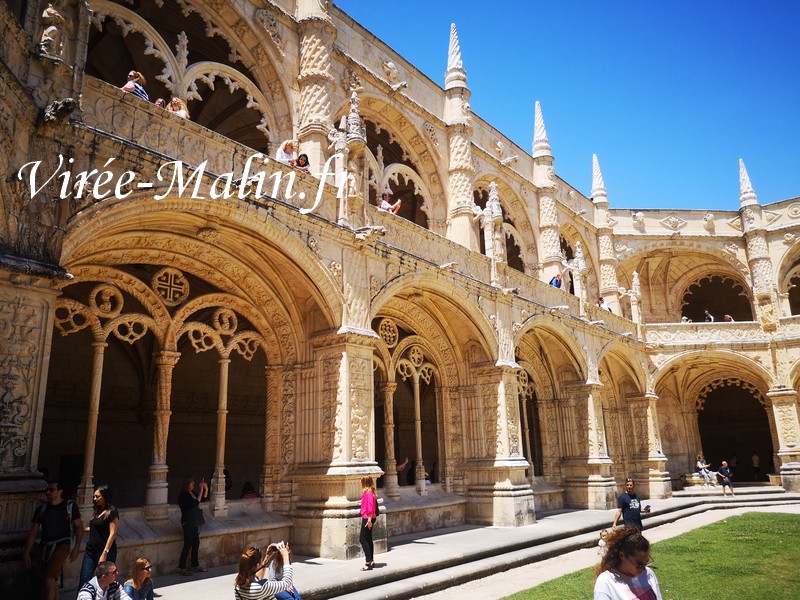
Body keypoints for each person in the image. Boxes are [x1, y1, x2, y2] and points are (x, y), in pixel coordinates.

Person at [22, 480, 83, 600]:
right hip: (45, 545)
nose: (48, 492)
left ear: (60, 491)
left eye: (51, 490)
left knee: (48, 578)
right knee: (50, 580)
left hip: (62, 545)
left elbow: (79, 526)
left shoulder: (69, 506)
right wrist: (26, 552)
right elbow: (33, 530)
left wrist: (77, 547)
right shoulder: (42, 509)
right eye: (47, 490)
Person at [593, 526, 662, 600]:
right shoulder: (606, 582)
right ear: (622, 555)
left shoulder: (648, 573)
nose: (643, 569)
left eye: (646, 563)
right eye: (639, 564)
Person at [80, 485, 120, 586]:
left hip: (105, 552)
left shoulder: (112, 511)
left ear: (105, 496)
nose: (94, 499)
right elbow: (96, 528)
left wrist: (105, 553)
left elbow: (112, 533)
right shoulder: (97, 511)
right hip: (90, 551)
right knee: (84, 581)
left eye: (97, 497)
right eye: (94, 496)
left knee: (104, 582)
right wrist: (81, 529)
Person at [178, 476, 209, 576]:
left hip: (194, 522)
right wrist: (200, 490)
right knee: (187, 545)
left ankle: (195, 565)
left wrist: (205, 489)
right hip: (188, 522)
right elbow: (195, 503)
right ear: (187, 484)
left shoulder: (191, 493)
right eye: (192, 483)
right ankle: (182, 568)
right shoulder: (183, 495)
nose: (193, 485)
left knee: (196, 543)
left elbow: (203, 499)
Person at [359, 475, 377, 571]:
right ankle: (371, 560)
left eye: (361, 481)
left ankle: (368, 562)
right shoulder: (370, 492)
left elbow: (370, 507)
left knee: (363, 539)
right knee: (368, 539)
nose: (360, 482)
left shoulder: (368, 493)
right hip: (369, 517)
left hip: (368, 518)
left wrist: (369, 520)